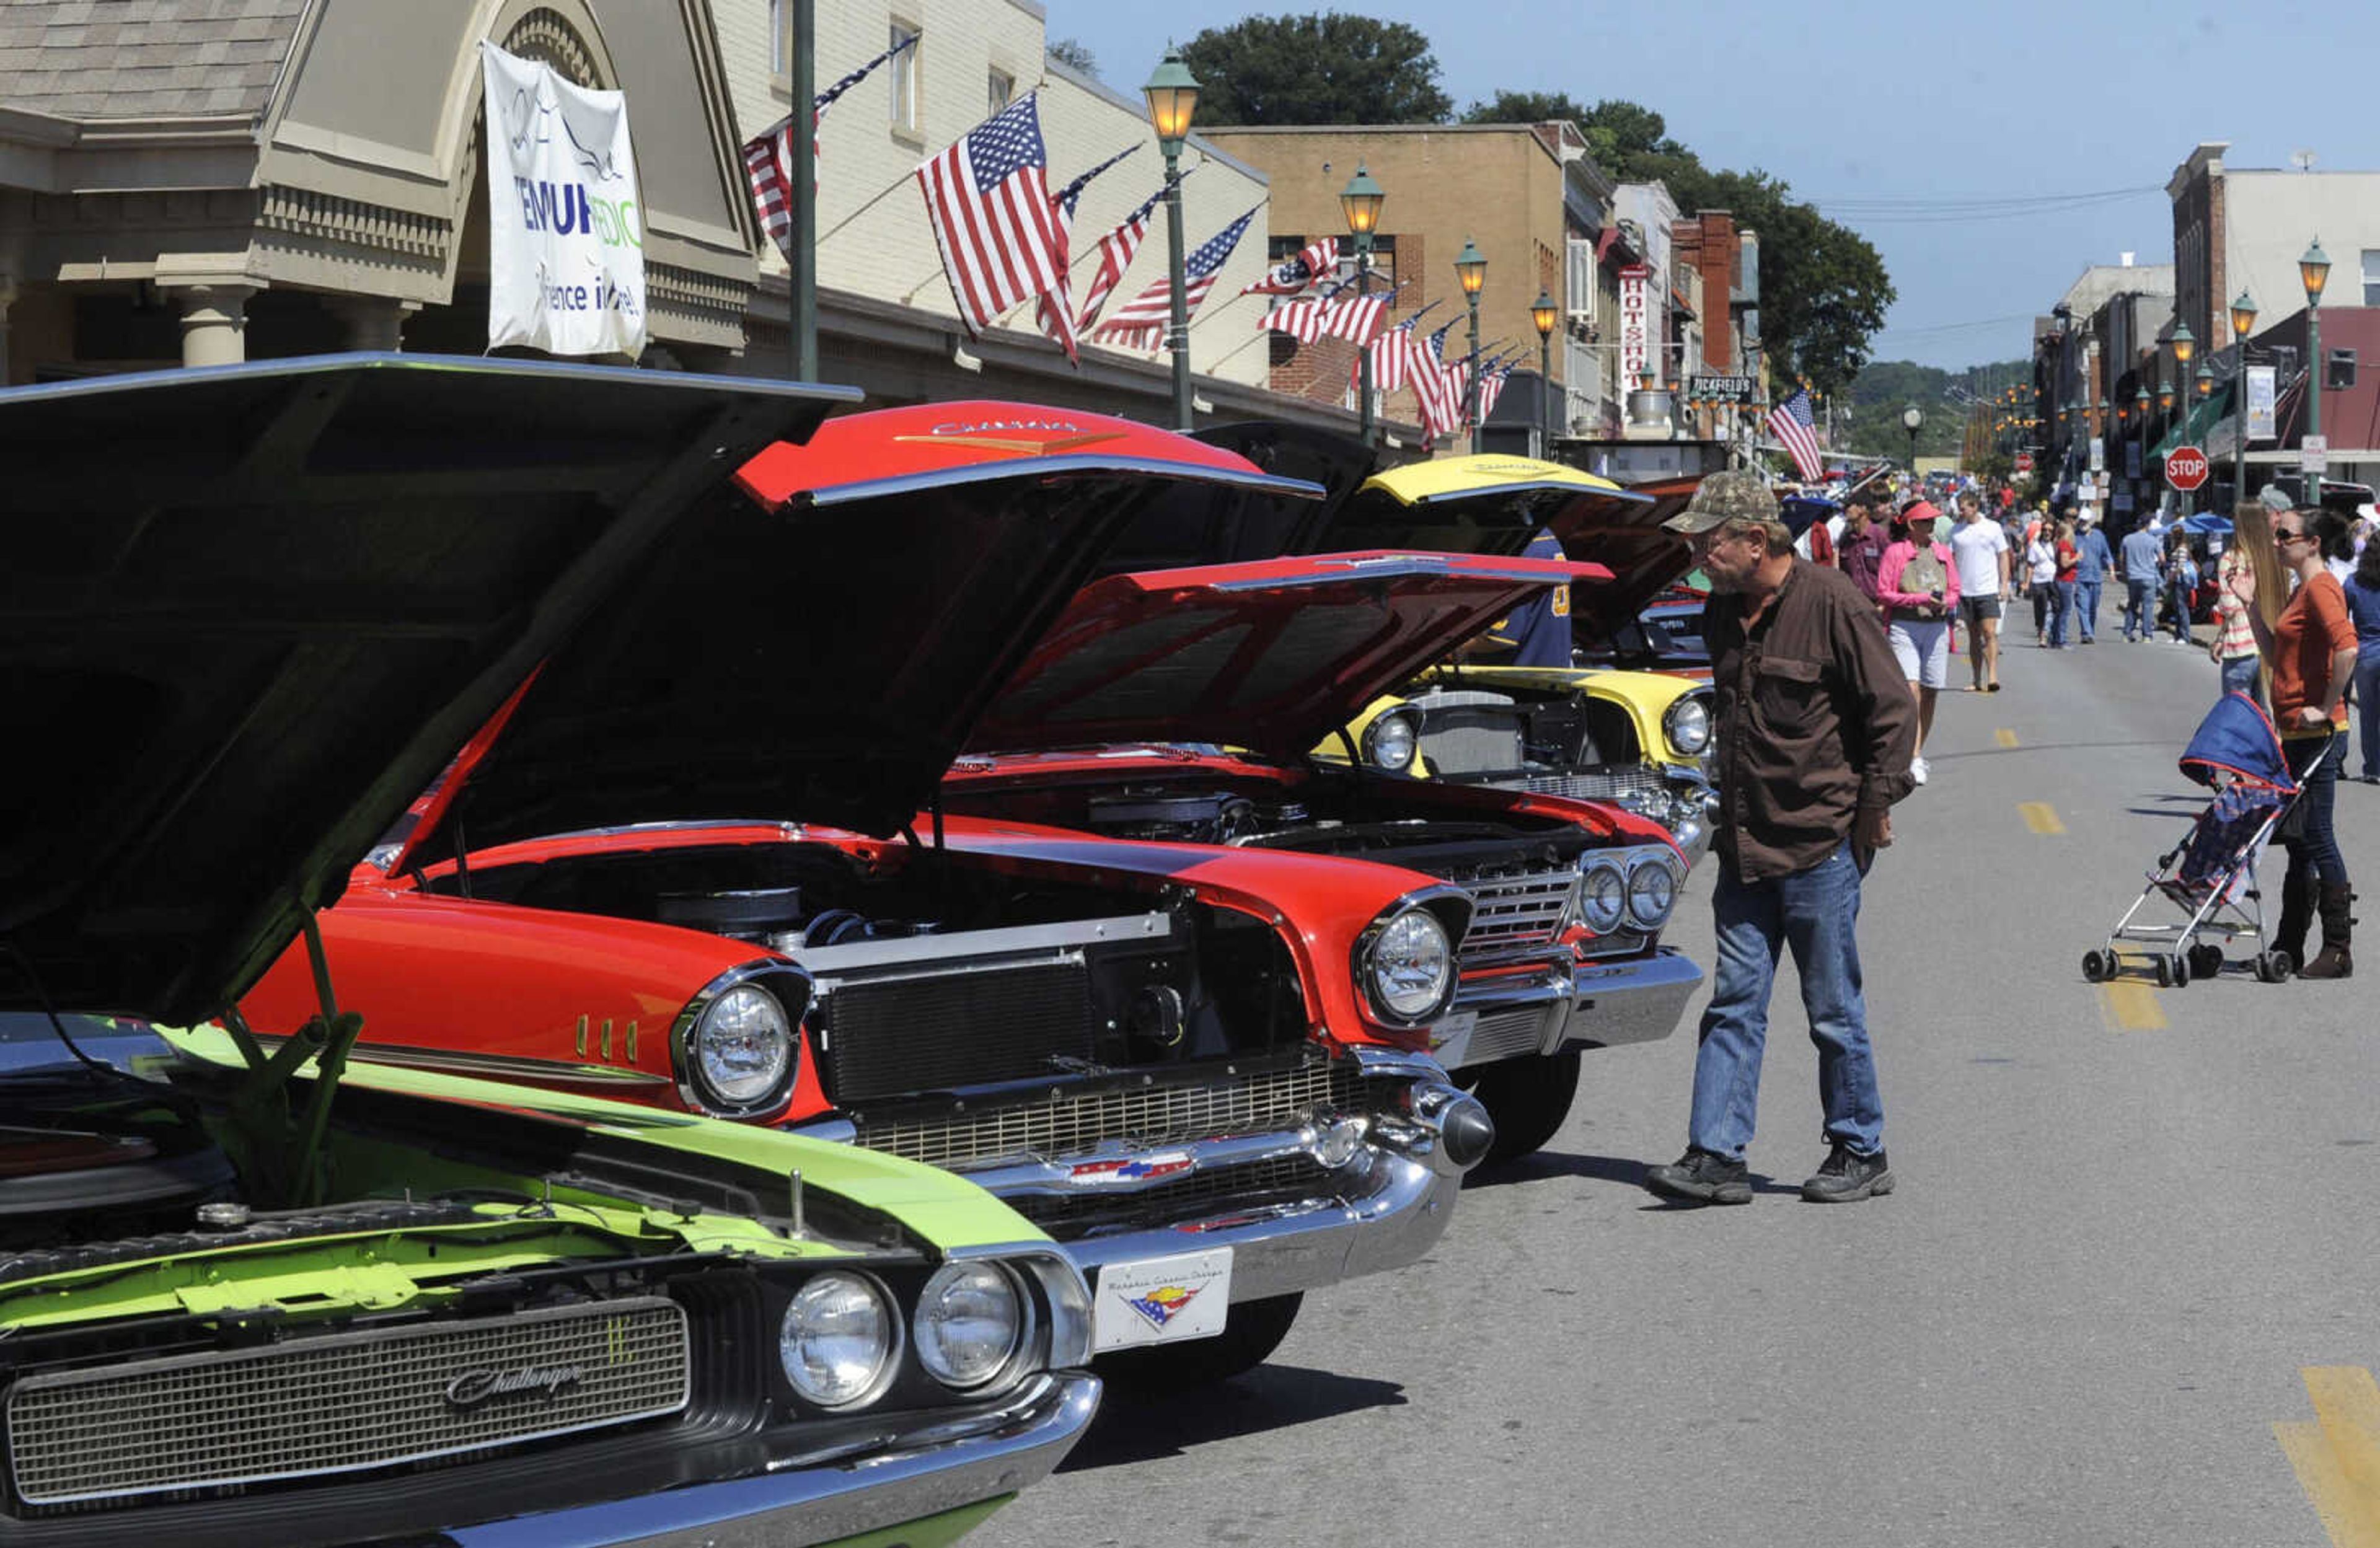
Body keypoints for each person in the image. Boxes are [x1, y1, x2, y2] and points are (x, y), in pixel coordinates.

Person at [1640, 471, 1918, 1207]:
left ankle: (1860, 1147)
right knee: (1735, 1000)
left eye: (1709, 541)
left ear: (1754, 541)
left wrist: (1875, 804)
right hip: (1744, 844)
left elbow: (1893, 709)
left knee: (1831, 1007)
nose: (1699, 555)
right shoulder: (1720, 609)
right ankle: (1716, 1155)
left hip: (1819, 845)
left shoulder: (1832, 603)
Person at [2232, 493, 2358, 978]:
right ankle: (2289, 946)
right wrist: (2249, 608)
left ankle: (2339, 949)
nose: (2277, 542)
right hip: (2295, 732)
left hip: (2320, 733)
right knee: (2301, 842)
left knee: (2318, 837)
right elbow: (2274, 652)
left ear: (2313, 543)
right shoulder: (2300, 590)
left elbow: (2346, 649)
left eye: (2285, 535)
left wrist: (2324, 707)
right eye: (2276, 533)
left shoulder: (2323, 587)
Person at [1876, 501, 1955, 785]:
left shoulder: (1943, 553)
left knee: (1931, 690)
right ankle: (1914, 755)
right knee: (1912, 691)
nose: (1931, 526)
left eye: (1933, 522)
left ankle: (1916, 748)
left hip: (1936, 627)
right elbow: (1884, 593)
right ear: (1912, 525)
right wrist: (1919, 599)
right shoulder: (1896, 553)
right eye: (1926, 522)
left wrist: (1945, 602)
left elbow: (1955, 589)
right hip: (1904, 625)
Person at [1475, 525, 1573, 666]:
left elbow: (1499, 638)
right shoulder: (1545, 538)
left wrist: (1458, 650)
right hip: (1553, 670)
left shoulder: (1520, 547)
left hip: (1518, 677)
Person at [1949, 490, 2010, 692]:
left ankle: (1992, 676)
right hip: (1965, 592)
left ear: (1974, 507)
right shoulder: (1956, 531)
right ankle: (1976, 680)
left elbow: (2003, 556)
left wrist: (2004, 584)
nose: (1961, 511)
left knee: (1990, 632)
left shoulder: (1992, 528)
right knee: (1974, 637)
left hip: (1987, 589)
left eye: (1964, 507)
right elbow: (1949, 559)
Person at [2345, 534, 2380, 783]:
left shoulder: (2353, 583)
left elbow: (2339, 616)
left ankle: (2373, 768)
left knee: (2369, 714)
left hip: (2366, 652)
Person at [2120, 518, 2164, 641]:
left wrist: (2125, 573)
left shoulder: (2127, 539)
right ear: (2148, 525)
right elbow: (2162, 559)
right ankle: (2147, 635)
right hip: (2149, 577)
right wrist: (2156, 566)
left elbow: (2122, 559)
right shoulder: (2153, 540)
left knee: (2132, 605)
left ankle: (2127, 633)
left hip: (2133, 576)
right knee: (2148, 607)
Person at [1840, 493, 1888, 603]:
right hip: (1853, 603)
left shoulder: (1880, 536)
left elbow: (1895, 570)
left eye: (1849, 506)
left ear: (1863, 509)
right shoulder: (1846, 539)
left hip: (1878, 604)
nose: (1845, 509)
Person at [2074, 514, 2114, 643]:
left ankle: (2090, 630)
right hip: (2079, 577)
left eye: (2085, 521)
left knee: (2093, 607)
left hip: (2096, 577)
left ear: (2091, 522)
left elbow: (2106, 554)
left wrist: (2112, 571)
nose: (2083, 523)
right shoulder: (2074, 536)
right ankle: (2087, 633)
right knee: (2083, 606)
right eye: (2081, 520)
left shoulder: (2099, 536)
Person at [2023, 521, 2058, 645]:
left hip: (2053, 581)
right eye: (2045, 530)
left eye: (2050, 530)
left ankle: (2045, 634)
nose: (2047, 533)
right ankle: (2040, 628)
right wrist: (2027, 583)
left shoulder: (2056, 546)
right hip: (2039, 581)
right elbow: (2030, 566)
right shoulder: (2035, 547)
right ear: (2042, 532)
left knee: (2052, 608)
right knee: (2041, 609)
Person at [2048, 517, 2080, 649]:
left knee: (2060, 611)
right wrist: (2077, 558)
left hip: (2062, 580)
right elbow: (2065, 563)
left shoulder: (2060, 543)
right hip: (2065, 581)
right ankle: (2060, 640)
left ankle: (2056, 638)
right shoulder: (2065, 544)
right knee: (2065, 611)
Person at [2164, 529, 2198, 644]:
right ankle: (2178, 635)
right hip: (2176, 581)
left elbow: (2180, 566)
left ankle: (2185, 636)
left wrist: (2171, 579)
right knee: (2177, 609)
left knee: (2182, 609)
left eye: (2173, 535)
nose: (2171, 536)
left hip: (2180, 582)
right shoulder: (2177, 547)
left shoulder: (2182, 548)